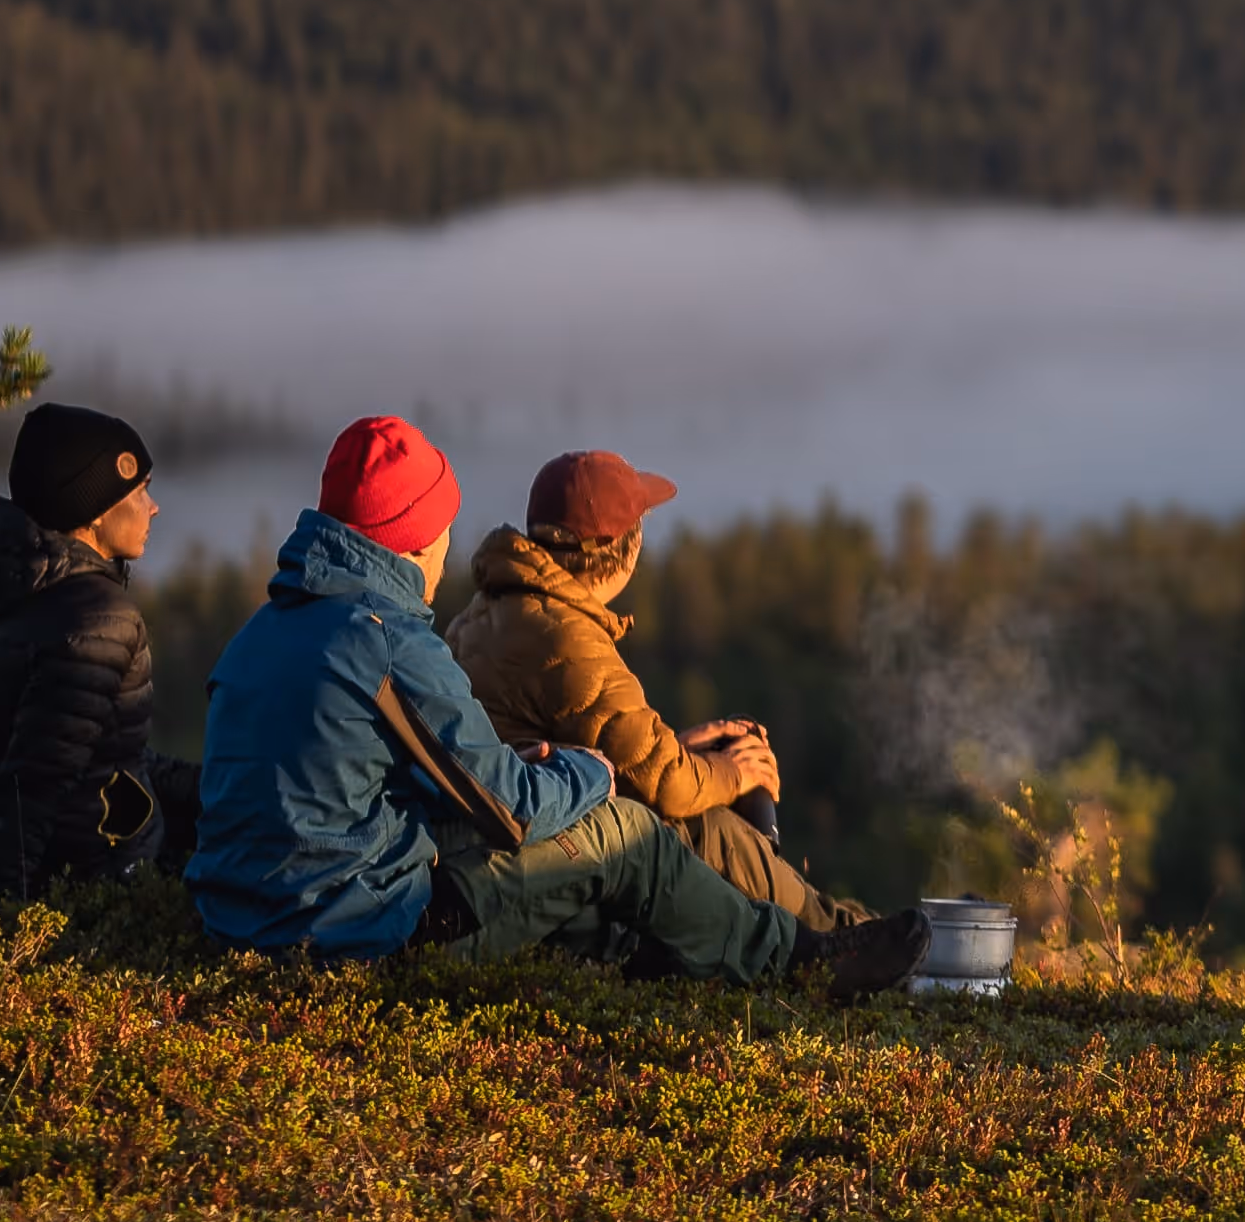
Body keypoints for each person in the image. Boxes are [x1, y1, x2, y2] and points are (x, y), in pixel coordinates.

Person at [192, 412, 924, 995]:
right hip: (355, 936)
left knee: (589, 824)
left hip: (247, 920)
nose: (449, 547)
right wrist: (588, 772)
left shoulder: (269, 628)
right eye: (444, 528)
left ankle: (739, 945)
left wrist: (516, 765)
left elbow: (346, 782)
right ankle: (795, 963)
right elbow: (511, 811)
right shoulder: (386, 640)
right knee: (625, 831)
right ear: (417, 537)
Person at [450, 446, 859, 932]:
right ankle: (836, 939)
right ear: (625, 550)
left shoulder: (486, 611)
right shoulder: (566, 637)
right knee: (711, 831)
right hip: (543, 860)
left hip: (505, 835)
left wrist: (683, 750)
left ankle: (847, 928)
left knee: (704, 817)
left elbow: (583, 751)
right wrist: (735, 773)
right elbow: (667, 786)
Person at [0, 400, 188, 904]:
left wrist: (208, 787)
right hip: (99, 886)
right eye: (139, 490)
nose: (154, 507)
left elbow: (97, 753)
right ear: (96, 509)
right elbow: (33, 783)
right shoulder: (98, 617)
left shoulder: (16, 591)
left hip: (64, 869)